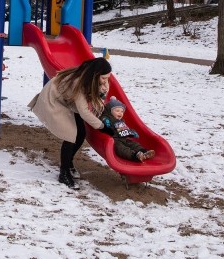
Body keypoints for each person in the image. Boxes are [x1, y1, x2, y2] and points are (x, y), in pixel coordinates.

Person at [28, 57, 112, 190]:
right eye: (103, 78)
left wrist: (102, 92)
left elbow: (93, 99)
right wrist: (102, 127)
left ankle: (69, 162)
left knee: (81, 133)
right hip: (54, 100)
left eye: (108, 78)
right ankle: (64, 172)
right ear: (95, 75)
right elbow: (84, 112)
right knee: (70, 135)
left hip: (68, 100)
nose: (106, 81)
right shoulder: (80, 83)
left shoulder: (92, 79)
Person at [99, 97, 156, 162]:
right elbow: (101, 119)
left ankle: (144, 152)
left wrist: (131, 133)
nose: (120, 113)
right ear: (110, 111)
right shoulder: (107, 118)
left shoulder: (121, 121)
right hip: (114, 140)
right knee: (121, 148)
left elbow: (124, 131)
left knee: (134, 144)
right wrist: (105, 121)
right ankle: (134, 156)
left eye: (122, 111)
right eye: (117, 111)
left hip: (123, 139)